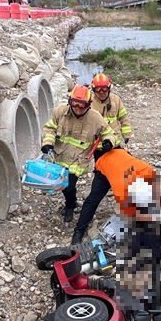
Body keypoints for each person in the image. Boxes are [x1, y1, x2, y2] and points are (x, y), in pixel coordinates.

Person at [41, 85, 118, 222]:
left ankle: (70, 206)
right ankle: (71, 201)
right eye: (74, 104)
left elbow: (109, 133)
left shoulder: (95, 118)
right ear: (70, 101)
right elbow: (50, 128)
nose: (77, 109)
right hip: (60, 155)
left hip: (78, 159)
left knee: (69, 186)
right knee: (62, 186)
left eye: (82, 106)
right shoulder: (60, 111)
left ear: (88, 105)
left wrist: (108, 142)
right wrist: (47, 143)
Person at [71, 74, 132, 244]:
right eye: (98, 90)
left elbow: (124, 118)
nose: (102, 93)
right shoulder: (91, 106)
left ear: (109, 88)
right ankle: (79, 230)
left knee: (129, 189)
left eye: (104, 89)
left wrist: (126, 135)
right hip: (100, 148)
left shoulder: (116, 100)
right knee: (95, 195)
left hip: (116, 147)